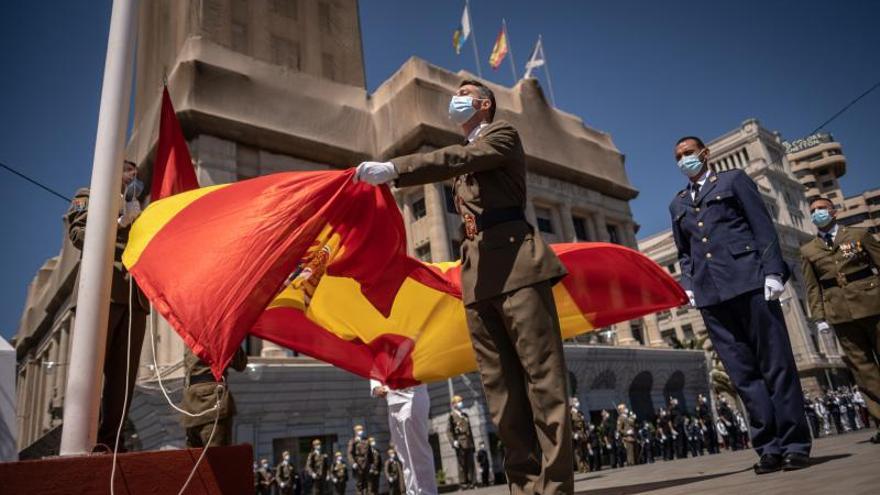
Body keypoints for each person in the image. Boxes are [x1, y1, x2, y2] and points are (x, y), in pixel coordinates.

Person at [354, 79, 573, 494]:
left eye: (464, 93)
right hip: (478, 278)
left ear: (484, 104)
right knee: (502, 394)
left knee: (543, 385)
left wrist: (396, 169)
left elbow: (459, 158)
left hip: (518, 267)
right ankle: (525, 487)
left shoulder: (501, 135)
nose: (455, 100)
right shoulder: (467, 159)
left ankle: (555, 489)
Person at [668, 136, 812, 473]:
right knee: (743, 375)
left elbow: (762, 228)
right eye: (678, 157)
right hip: (712, 297)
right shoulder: (677, 204)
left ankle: (794, 444)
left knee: (776, 366)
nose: (684, 160)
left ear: (705, 153)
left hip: (750, 283)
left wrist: (774, 272)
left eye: (689, 153)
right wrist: (689, 287)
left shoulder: (733, 181)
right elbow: (685, 253)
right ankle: (769, 447)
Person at [66, 160, 149, 451]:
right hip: (102, 291)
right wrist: (117, 224)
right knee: (89, 368)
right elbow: (78, 236)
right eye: (129, 171)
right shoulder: (86, 195)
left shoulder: (140, 207)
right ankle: (81, 439)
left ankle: (111, 442)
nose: (134, 178)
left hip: (135, 299)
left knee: (123, 379)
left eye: (136, 174)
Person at [800, 196, 880, 444]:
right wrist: (819, 317)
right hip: (840, 313)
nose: (818, 214)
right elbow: (812, 288)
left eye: (822, 209)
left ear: (834, 212)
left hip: (873, 304)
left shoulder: (859, 235)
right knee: (862, 369)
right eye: (813, 211)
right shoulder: (809, 250)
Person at [370, 379, 438, 494]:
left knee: (418, 453)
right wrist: (376, 386)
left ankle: (427, 492)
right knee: (404, 456)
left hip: (411, 395)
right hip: (392, 399)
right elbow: (377, 361)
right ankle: (412, 492)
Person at [181, 347, 248, 447]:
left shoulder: (191, 334)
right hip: (212, 401)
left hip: (190, 402)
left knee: (196, 458)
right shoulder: (220, 333)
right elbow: (240, 364)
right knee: (218, 458)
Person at [448, 395, 476, 488]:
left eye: (461, 401)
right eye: (459, 401)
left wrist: (473, 444)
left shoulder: (465, 415)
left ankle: (472, 482)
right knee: (462, 464)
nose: (461, 403)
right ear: (454, 404)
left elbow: (470, 430)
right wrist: (453, 441)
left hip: (468, 441)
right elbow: (449, 431)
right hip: (460, 442)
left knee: (471, 463)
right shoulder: (452, 416)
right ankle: (464, 483)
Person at [347, 425, 373, 495]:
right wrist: (353, 463)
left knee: (367, 483)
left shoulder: (366, 440)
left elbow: (370, 453)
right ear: (356, 432)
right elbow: (350, 453)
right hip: (358, 465)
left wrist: (372, 463)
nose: (361, 432)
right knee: (359, 484)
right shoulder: (353, 441)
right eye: (359, 430)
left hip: (366, 464)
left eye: (361, 430)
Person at [571, 397, 590, 472]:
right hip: (577, 434)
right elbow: (569, 426)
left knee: (584, 451)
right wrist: (573, 434)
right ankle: (581, 468)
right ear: (572, 403)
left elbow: (583, 425)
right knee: (578, 452)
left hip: (583, 435)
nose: (577, 403)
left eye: (577, 401)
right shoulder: (570, 413)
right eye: (575, 401)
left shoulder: (580, 413)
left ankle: (586, 467)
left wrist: (586, 432)